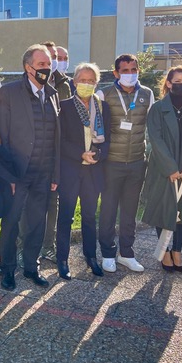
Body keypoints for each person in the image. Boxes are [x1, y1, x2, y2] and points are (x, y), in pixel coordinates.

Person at [0, 44, 60, 290]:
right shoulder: (9, 92)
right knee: (11, 223)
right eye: (41, 64)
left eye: (48, 64)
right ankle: (8, 270)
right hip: (17, 173)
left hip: (44, 174)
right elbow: (1, 135)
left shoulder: (52, 94)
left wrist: (55, 173)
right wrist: (7, 175)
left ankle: (32, 267)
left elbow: (56, 137)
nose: (46, 68)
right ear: (28, 67)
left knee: (37, 223)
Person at [142, 66, 182, 273]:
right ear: (169, 83)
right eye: (177, 80)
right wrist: (170, 167)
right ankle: (166, 250)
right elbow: (156, 138)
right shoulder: (157, 108)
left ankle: (177, 250)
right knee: (165, 208)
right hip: (164, 167)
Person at [96, 54, 154, 273]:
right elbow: (96, 126)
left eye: (134, 69)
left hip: (137, 162)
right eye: (125, 70)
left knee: (130, 212)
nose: (130, 74)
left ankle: (127, 253)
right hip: (112, 162)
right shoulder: (104, 94)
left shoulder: (147, 94)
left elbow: (151, 126)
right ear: (116, 73)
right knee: (109, 210)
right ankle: (108, 254)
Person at [56, 63, 111, 280]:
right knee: (66, 216)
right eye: (82, 80)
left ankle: (91, 257)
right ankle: (62, 259)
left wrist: (99, 154)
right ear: (74, 81)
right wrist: (81, 153)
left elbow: (110, 138)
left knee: (89, 216)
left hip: (94, 171)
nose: (86, 84)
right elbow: (61, 141)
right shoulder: (64, 106)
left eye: (91, 81)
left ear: (96, 83)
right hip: (71, 170)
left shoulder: (103, 108)